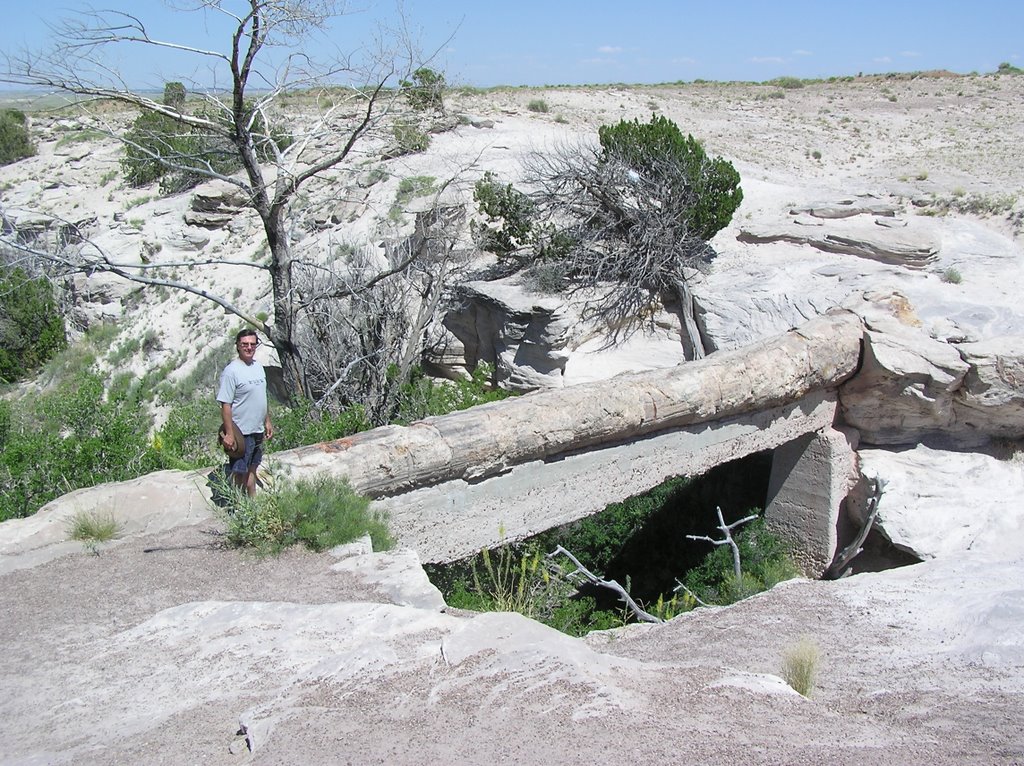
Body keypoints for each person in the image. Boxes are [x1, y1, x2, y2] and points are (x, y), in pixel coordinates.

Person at [217, 329, 273, 496]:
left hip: (257, 429)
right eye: (245, 344)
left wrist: (267, 421)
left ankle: (252, 504)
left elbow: (261, 397)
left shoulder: (258, 367)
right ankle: (239, 507)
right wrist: (229, 434)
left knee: (252, 468)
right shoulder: (231, 371)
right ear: (238, 346)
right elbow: (225, 404)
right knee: (240, 472)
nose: (249, 347)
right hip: (241, 432)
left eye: (252, 344)